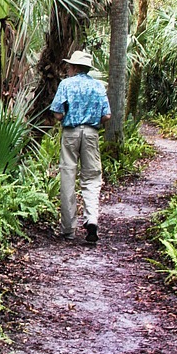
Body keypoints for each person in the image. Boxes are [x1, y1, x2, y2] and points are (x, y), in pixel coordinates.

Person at [50, 49, 111, 245]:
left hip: (70, 133)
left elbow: (58, 113)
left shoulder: (66, 84)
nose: (67, 69)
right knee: (92, 177)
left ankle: (68, 229)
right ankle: (91, 220)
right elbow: (107, 115)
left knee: (68, 176)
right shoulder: (98, 86)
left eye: (69, 66)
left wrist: (68, 115)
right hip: (91, 134)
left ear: (75, 68)